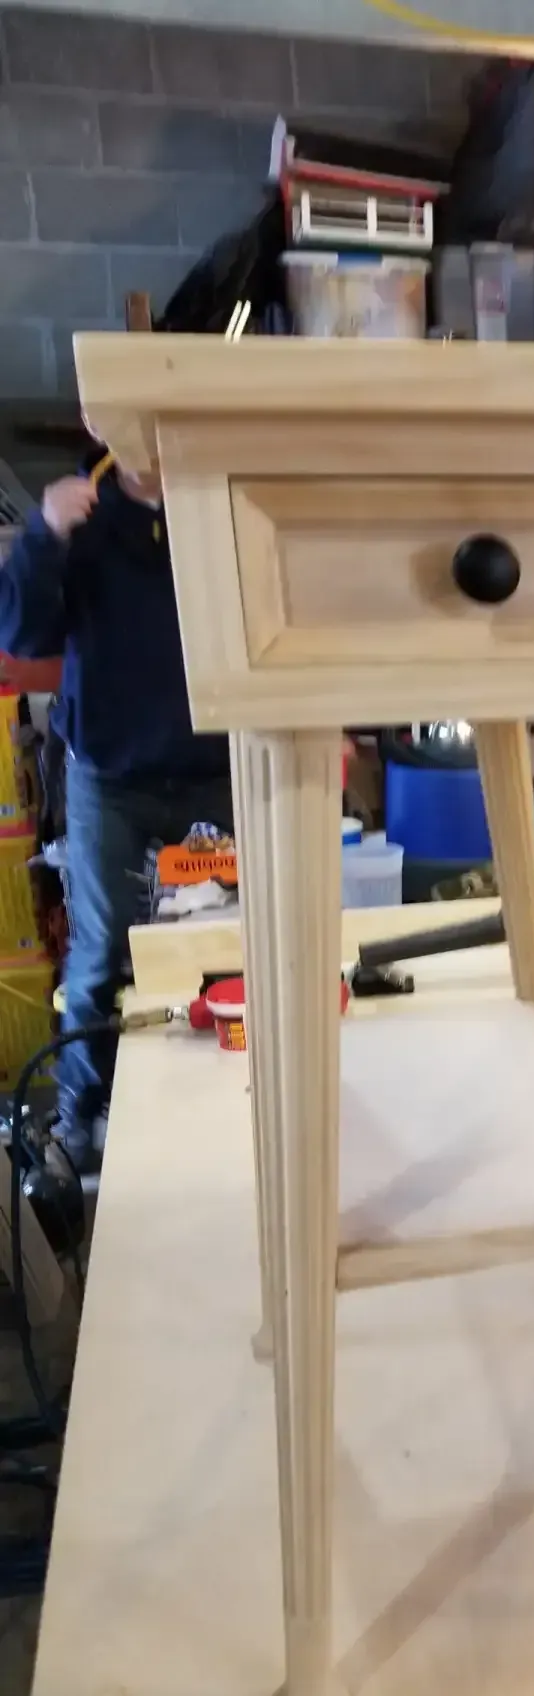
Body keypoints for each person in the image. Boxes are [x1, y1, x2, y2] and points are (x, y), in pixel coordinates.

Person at [0, 449, 232, 1171]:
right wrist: (44, 535)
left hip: (224, 768)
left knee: (230, 948)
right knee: (102, 957)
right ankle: (79, 1123)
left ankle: (233, 1106)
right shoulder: (81, 509)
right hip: (112, 774)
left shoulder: (221, 498)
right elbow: (21, 637)